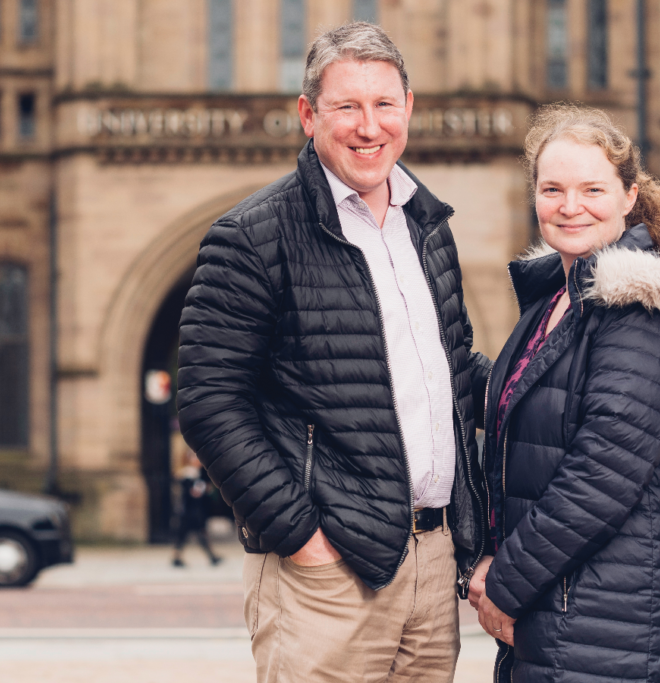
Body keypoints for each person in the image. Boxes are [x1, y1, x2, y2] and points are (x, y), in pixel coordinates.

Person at [177, 22, 490, 683]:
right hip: (329, 571)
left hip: (433, 566)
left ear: (409, 108)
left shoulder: (429, 230)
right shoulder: (251, 236)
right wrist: (301, 537)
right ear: (307, 114)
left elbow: (454, 368)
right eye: (346, 106)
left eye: (383, 105)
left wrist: (554, 372)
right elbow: (209, 400)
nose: (367, 126)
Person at [467, 105, 660, 682]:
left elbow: (602, 473)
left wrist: (505, 583)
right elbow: (528, 406)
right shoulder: (560, 300)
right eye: (552, 189)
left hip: (617, 626)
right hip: (570, 618)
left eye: (591, 188)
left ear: (629, 196)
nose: (570, 206)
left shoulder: (644, 310)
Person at [171, 450, 222, 567]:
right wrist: (204, 489)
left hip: (195, 509)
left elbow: (207, 488)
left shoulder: (198, 473)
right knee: (189, 534)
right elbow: (193, 493)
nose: (197, 461)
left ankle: (211, 556)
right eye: (194, 458)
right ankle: (211, 557)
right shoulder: (187, 474)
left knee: (191, 534)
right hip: (189, 510)